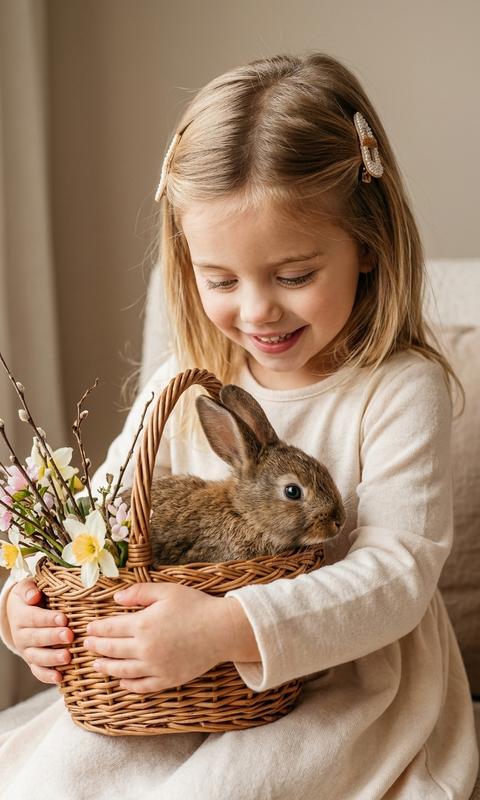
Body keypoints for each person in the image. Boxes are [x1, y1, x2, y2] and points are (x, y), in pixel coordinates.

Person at [0, 51, 478, 799]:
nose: (256, 311)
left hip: (346, 685)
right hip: (176, 688)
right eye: (221, 280)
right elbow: (93, 523)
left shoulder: (397, 388)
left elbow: (395, 575)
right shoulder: (187, 386)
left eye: (293, 275)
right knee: (54, 777)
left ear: (368, 247)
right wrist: (27, 603)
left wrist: (225, 629)